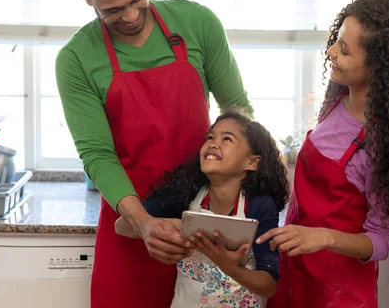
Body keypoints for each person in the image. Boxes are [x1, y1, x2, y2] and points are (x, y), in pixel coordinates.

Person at [55, 0, 253, 308]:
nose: (130, 16)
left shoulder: (197, 22)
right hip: (130, 225)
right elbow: (97, 154)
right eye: (112, 10)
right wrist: (144, 223)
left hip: (204, 222)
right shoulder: (77, 58)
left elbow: (239, 112)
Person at [256, 0, 389, 308]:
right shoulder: (337, 101)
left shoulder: (386, 147)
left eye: (344, 50)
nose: (330, 51)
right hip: (295, 275)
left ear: (379, 68)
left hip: (336, 295)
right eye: (336, 40)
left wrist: (323, 237)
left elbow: (382, 241)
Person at [115, 109, 289, 307]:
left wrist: (230, 266)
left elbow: (268, 285)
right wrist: (165, 225)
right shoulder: (186, 193)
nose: (213, 143)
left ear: (252, 162)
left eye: (227, 139)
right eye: (210, 137)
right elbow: (121, 226)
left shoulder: (260, 205)